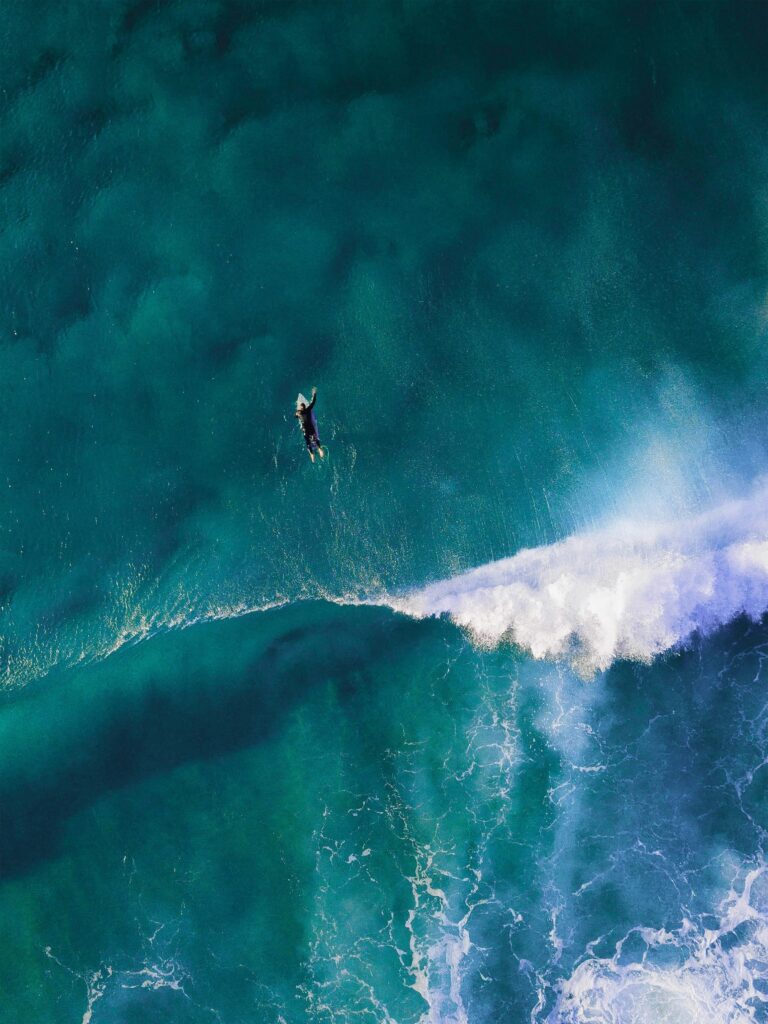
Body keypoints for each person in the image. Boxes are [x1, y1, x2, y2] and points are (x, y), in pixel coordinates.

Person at [295, 386, 325, 462]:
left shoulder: (300, 412)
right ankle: (319, 450)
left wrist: (297, 413)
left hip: (306, 430)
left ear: (301, 408)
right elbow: (313, 402)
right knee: (314, 439)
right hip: (309, 428)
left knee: (308, 442)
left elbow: (295, 416)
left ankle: (313, 454)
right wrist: (314, 393)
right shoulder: (308, 410)